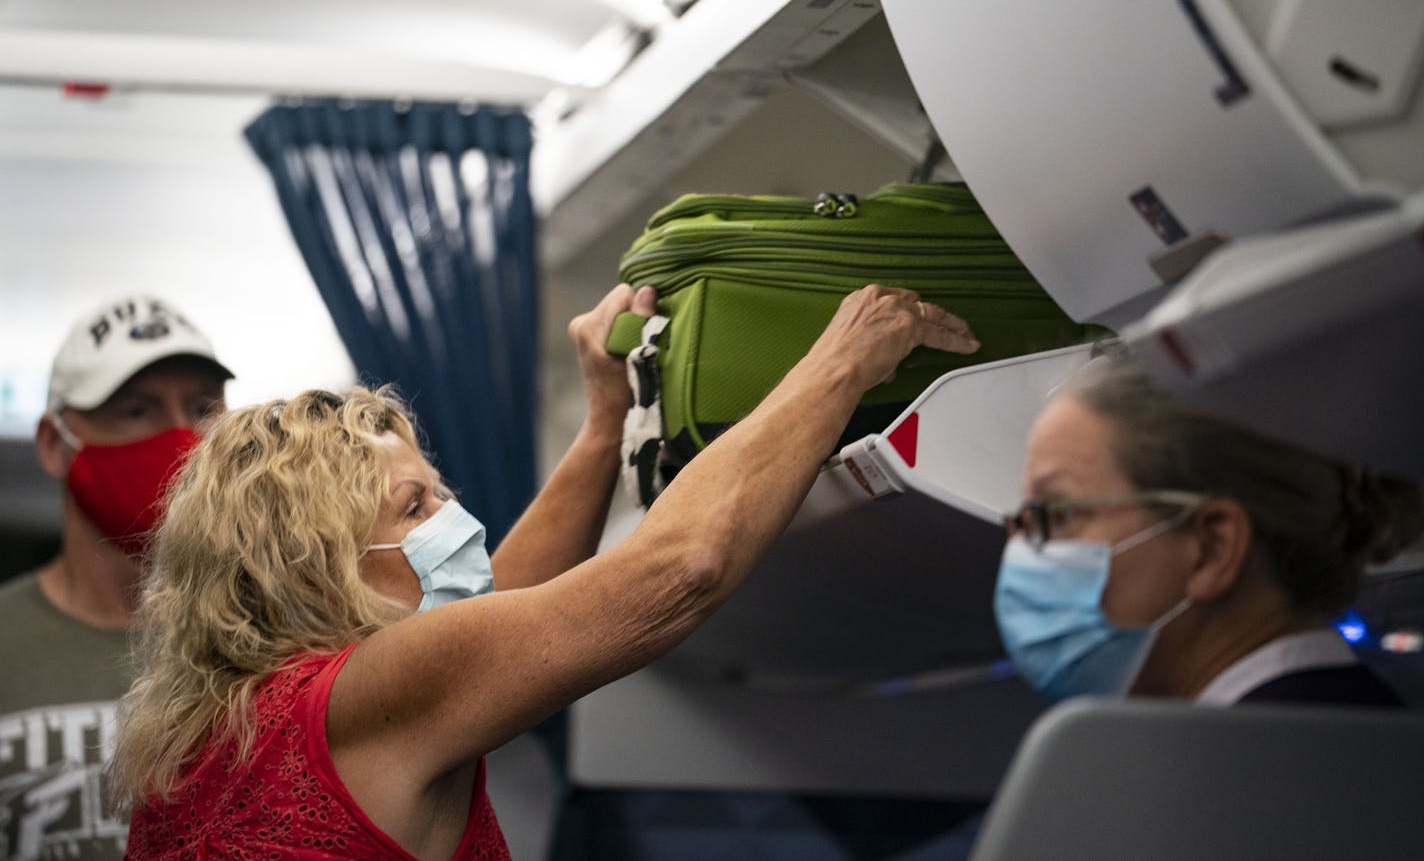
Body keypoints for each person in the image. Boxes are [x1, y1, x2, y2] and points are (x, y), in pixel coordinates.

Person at [110, 283, 980, 860]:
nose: (456, 524)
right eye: (416, 509)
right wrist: (842, 364)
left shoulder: (228, 726)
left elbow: (507, 610)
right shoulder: (362, 693)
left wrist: (606, 422)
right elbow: (677, 569)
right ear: (313, 570)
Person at [994, 350, 1422, 706]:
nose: (1020, 549)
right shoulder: (1350, 727)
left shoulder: (1251, 778)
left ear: (1212, 547)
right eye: (1022, 521)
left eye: (1058, 514)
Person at [0, 294, 233, 861]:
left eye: (203, 409)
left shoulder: (272, 640)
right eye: (137, 410)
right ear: (56, 444)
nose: (182, 441)